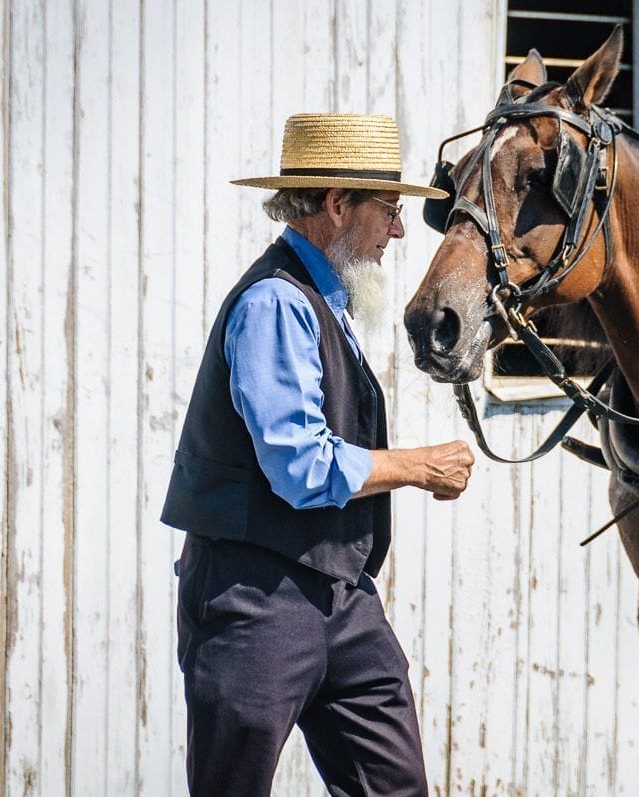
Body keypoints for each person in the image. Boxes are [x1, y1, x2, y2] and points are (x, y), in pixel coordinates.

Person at [161, 113, 474, 796]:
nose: (397, 230)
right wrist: (419, 467)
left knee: (395, 783)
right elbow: (301, 465)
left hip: (341, 599)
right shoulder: (277, 301)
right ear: (337, 204)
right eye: (390, 210)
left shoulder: (326, 300)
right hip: (254, 600)